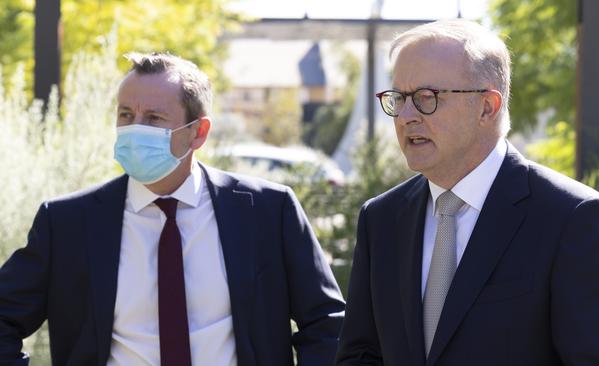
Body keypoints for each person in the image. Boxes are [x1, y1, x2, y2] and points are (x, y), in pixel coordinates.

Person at [0, 52, 345, 366]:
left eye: (153, 118)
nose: (136, 128)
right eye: (126, 115)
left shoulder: (268, 211)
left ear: (198, 132)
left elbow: (327, 323)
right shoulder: (68, 223)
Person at [336, 19, 599, 365]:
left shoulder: (573, 219)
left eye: (425, 98)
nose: (406, 116)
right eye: (398, 98)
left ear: (487, 107)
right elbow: (361, 355)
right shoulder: (381, 219)